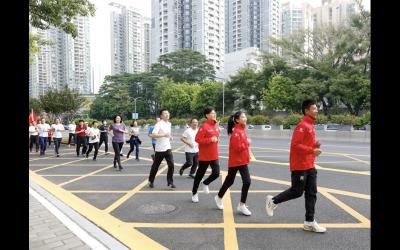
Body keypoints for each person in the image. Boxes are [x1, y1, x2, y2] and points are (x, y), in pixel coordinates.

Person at [266, 99, 326, 233]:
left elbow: (305, 144)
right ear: (307, 111)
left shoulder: (311, 125)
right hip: (299, 165)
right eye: (314, 108)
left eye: (317, 108)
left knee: (312, 193)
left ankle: (309, 222)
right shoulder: (302, 125)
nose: (317, 110)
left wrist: (315, 146)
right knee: (297, 191)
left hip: (310, 164)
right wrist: (312, 150)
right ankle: (273, 201)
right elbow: (295, 146)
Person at [214, 111, 252, 216]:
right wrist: (247, 143)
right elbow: (238, 148)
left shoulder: (242, 129)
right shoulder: (236, 132)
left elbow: (242, 147)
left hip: (241, 160)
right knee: (231, 181)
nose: (245, 118)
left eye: (245, 116)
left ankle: (241, 204)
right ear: (237, 120)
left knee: (245, 182)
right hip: (236, 161)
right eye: (243, 117)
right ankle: (219, 197)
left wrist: (247, 152)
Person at [191, 107, 222, 203]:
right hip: (205, 156)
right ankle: (194, 193)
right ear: (207, 115)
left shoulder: (215, 125)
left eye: (214, 113)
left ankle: (205, 183)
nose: (214, 114)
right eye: (212, 113)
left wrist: (218, 133)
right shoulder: (204, 126)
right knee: (199, 175)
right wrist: (210, 140)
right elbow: (197, 139)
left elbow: (216, 137)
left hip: (214, 155)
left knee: (216, 173)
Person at [147, 109, 175, 188]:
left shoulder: (169, 123)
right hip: (159, 149)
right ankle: (151, 180)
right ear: (161, 116)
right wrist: (163, 135)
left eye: (168, 113)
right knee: (156, 166)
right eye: (165, 113)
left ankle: (170, 182)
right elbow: (153, 135)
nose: (167, 114)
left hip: (168, 147)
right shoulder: (158, 124)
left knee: (171, 165)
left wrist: (170, 137)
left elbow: (168, 134)